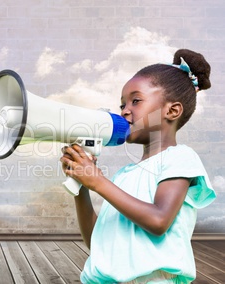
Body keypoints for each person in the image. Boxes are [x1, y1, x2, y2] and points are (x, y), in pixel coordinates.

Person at [60, 49, 216, 283]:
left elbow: (158, 220)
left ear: (172, 111)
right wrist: (82, 186)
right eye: (122, 104)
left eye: (136, 100)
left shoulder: (180, 158)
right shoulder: (125, 175)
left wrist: (98, 181)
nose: (124, 110)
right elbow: (98, 242)